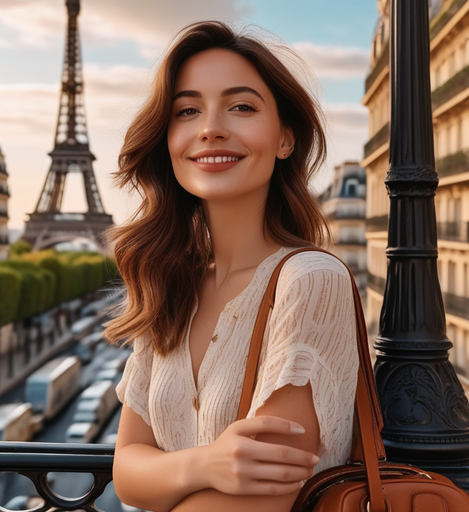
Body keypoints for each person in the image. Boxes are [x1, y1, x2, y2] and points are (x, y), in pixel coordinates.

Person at [106, 21, 358, 512]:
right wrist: (206, 465)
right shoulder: (171, 285)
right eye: (187, 110)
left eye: (242, 106)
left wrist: (166, 474)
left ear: (285, 138)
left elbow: (264, 496)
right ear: (168, 139)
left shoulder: (309, 281)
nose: (211, 127)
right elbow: (126, 473)